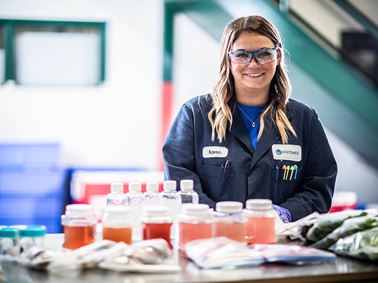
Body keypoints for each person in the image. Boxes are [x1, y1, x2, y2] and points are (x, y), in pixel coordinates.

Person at [162, 15, 337, 222]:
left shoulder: (304, 119)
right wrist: (223, 219)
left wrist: (283, 214)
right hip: (212, 240)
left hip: (278, 243)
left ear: (278, 56)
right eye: (242, 55)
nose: (253, 64)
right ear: (228, 58)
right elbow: (180, 183)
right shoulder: (194, 114)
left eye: (264, 54)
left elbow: (319, 187)